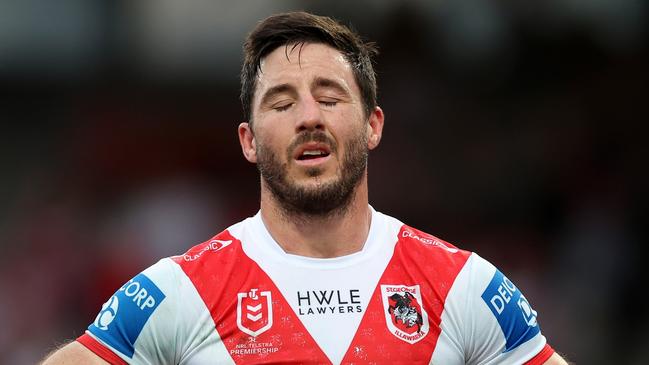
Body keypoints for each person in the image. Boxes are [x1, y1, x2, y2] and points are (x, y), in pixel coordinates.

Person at [42, 11, 569, 365]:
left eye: (331, 96)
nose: (309, 117)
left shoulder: (463, 288)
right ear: (248, 140)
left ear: (373, 125)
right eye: (282, 102)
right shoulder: (181, 294)